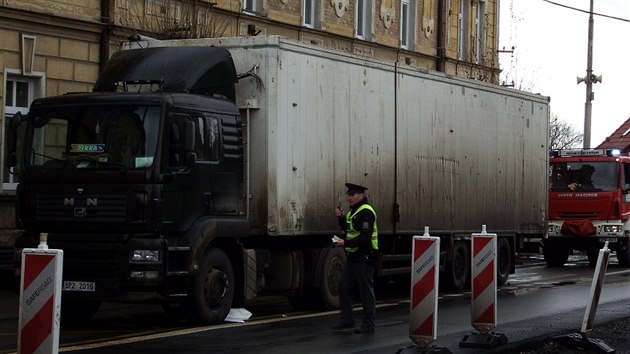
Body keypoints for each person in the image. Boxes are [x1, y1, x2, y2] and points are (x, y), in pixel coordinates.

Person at [331, 182, 379, 334]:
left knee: (366, 291)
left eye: (353, 195)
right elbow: (349, 228)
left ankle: (369, 324)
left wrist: (346, 242)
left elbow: (365, 237)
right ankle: (347, 320)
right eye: (349, 195)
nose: (349, 198)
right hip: (353, 256)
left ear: (361, 195)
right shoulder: (353, 212)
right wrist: (340, 218)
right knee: (343, 286)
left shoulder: (366, 212)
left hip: (364, 256)